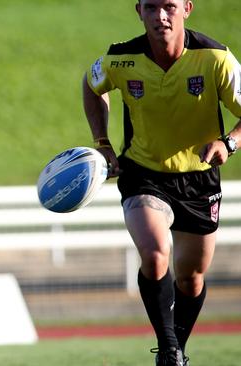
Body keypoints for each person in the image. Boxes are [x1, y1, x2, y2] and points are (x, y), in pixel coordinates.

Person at [82, 0, 241, 365]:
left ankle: (178, 352)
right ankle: (168, 349)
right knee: (154, 255)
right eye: (151, 7)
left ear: (187, 8)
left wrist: (228, 143)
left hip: (199, 179)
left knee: (191, 279)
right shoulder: (119, 59)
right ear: (138, 11)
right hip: (143, 173)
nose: (160, 16)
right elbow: (91, 85)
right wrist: (102, 144)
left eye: (169, 6)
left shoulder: (216, 58)